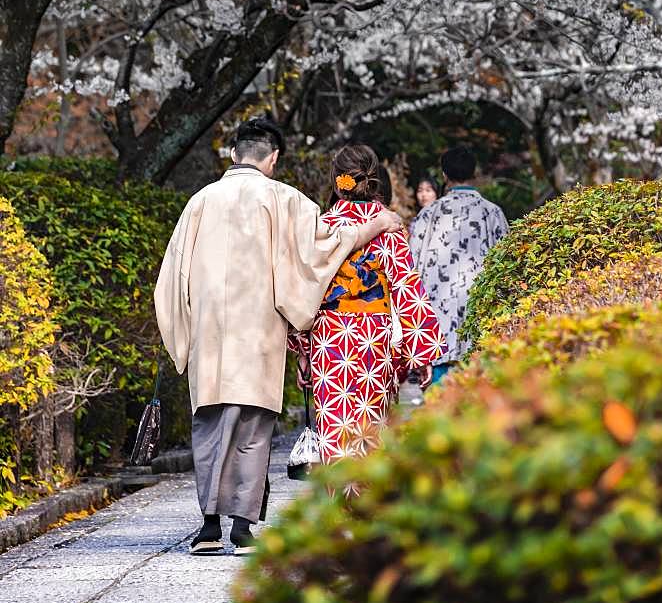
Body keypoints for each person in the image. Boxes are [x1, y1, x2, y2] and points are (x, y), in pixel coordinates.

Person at [154, 118, 403, 555]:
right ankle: (241, 529)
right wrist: (378, 224)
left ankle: (208, 528)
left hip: (210, 331)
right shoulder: (283, 198)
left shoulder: (200, 201)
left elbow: (171, 277)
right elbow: (327, 246)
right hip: (259, 331)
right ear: (273, 158)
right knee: (252, 428)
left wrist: (181, 335)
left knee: (210, 424)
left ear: (233, 154)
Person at [293, 145, 443, 468]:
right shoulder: (388, 226)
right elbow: (407, 288)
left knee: (335, 429)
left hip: (329, 339)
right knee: (372, 429)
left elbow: (305, 291)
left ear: (336, 180)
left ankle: (340, 506)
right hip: (375, 341)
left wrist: (302, 350)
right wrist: (423, 354)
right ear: (374, 180)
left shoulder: (321, 228)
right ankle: (369, 505)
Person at [410, 145, 509, 386]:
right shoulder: (492, 213)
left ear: (444, 175)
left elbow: (411, 270)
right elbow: (506, 269)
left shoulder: (428, 215)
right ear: (473, 173)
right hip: (480, 324)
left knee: (438, 408)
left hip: (436, 329)